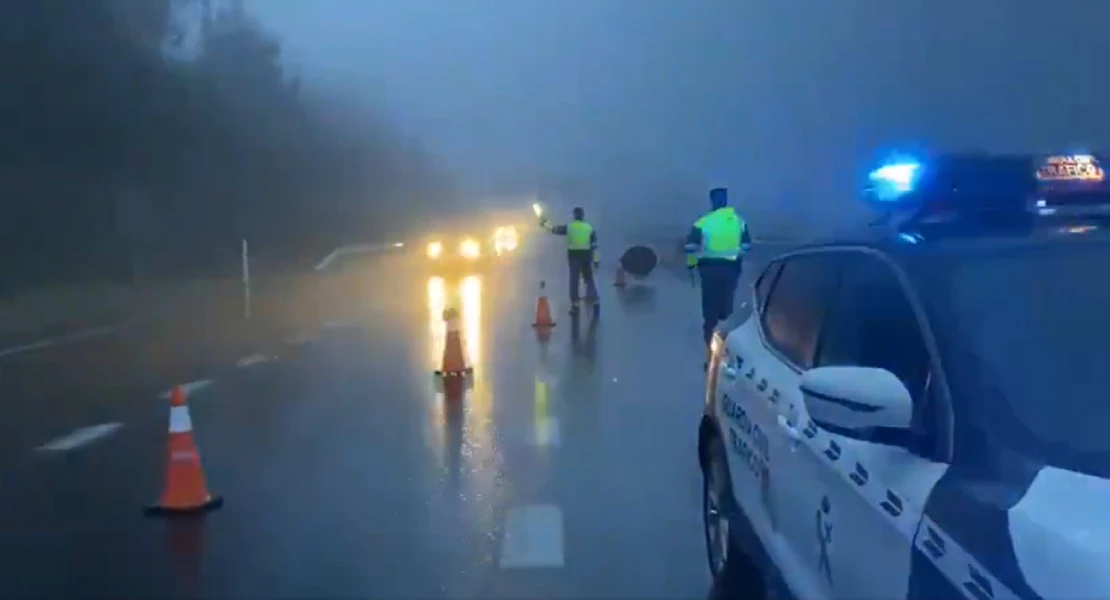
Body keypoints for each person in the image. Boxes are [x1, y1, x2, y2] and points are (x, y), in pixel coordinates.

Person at [685, 187, 751, 358]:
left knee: (709, 313)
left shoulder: (703, 222)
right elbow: (746, 246)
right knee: (726, 310)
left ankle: (711, 354)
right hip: (731, 270)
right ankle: (724, 352)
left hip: (709, 270)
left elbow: (690, 247)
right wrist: (735, 257)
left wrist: (692, 266)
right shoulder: (738, 222)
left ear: (712, 201)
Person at [541, 206, 600, 316]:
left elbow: (554, 229)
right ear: (583, 216)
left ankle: (575, 305)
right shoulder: (589, 228)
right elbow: (595, 245)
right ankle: (596, 302)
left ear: (574, 215)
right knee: (589, 279)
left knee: (574, 280)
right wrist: (596, 261)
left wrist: (545, 224)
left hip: (574, 256)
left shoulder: (570, 227)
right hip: (586, 255)